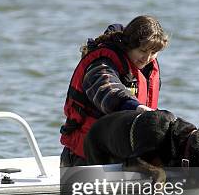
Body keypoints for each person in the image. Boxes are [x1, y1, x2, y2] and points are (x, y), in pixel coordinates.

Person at [60, 15, 169, 167]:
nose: (147, 58)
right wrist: (135, 106)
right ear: (129, 45)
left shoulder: (147, 68)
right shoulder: (101, 64)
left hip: (121, 152)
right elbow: (107, 89)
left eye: (153, 53)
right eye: (142, 51)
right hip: (86, 156)